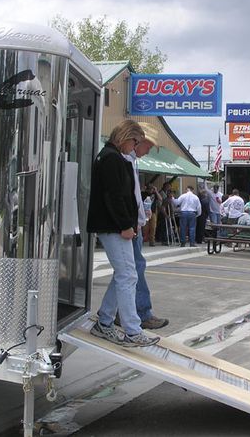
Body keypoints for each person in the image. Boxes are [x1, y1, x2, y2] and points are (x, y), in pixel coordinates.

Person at [87, 119, 159, 347]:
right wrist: (125, 225)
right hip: (114, 226)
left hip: (112, 225)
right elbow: (114, 196)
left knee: (124, 274)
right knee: (128, 275)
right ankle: (131, 330)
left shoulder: (110, 157)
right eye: (135, 142)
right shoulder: (112, 159)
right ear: (127, 137)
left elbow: (116, 195)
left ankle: (105, 321)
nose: (135, 147)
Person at [121, 123, 169, 330]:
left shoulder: (131, 161)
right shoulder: (125, 161)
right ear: (137, 141)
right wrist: (134, 222)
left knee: (127, 273)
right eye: (148, 146)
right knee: (134, 270)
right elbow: (126, 197)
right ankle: (141, 312)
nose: (148, 151)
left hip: (134, 224)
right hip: (131, 226)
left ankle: (118, 312)